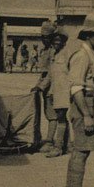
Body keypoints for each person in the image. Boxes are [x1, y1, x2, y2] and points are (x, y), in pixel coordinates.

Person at [63, 14, 94, 187]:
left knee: (81, 150)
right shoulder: (82, 56)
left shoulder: (90, 54)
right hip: (84, 106)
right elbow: (76, 89)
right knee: (81, 150)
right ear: (88, 35)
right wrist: (87, 116)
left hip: (91, 102)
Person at [31, 21, 69, 157]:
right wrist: (39, 86)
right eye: (42, 36)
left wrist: (40, 86)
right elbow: (46, 73)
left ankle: (56, 144)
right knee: (52, 115)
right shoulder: (48, 52)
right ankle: (57, 142)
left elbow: (52, 74)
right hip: (50, 89)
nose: (44, 39)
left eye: (46, 37)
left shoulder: (59, 52)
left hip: (58, 89)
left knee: (58, 117)